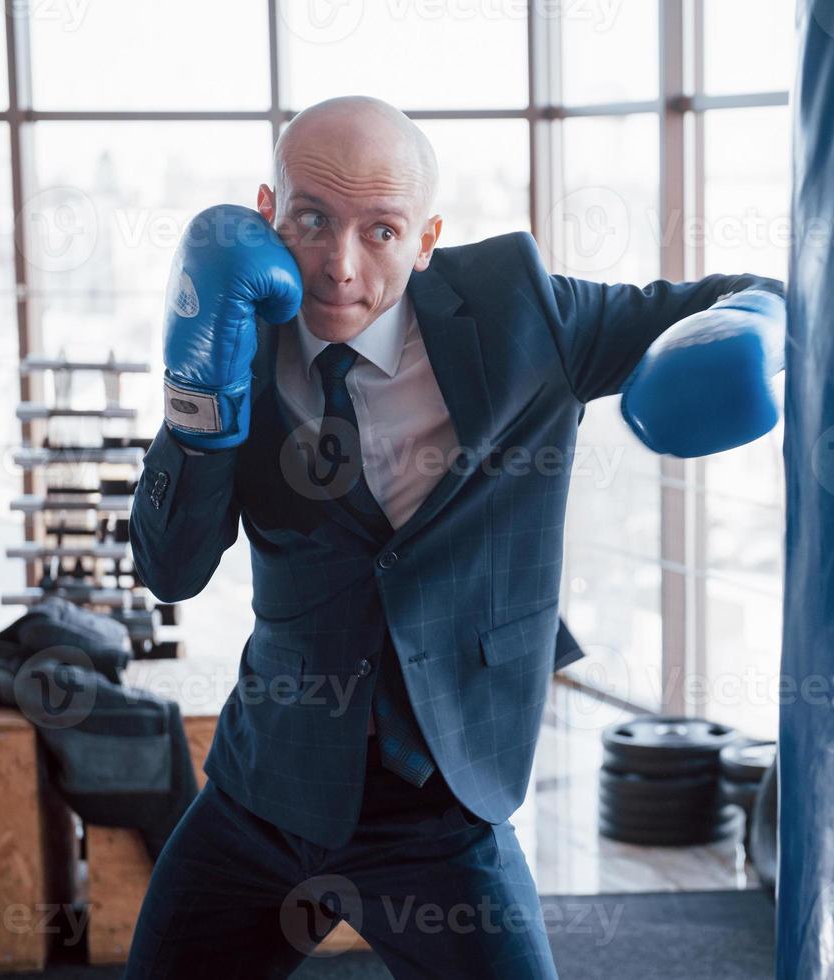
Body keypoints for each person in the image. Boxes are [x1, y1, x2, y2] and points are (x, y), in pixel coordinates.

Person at [125, 95, 785, 978]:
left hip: (440, 805)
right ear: (265, 210)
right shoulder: (237, 333)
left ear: (428, 238)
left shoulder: (526, 316)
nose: (338, 268)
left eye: (382, 231)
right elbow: (168, 571)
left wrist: (744, 332)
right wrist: (195, 403)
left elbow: (752, 293)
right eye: (311, 219)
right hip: (268, 791)